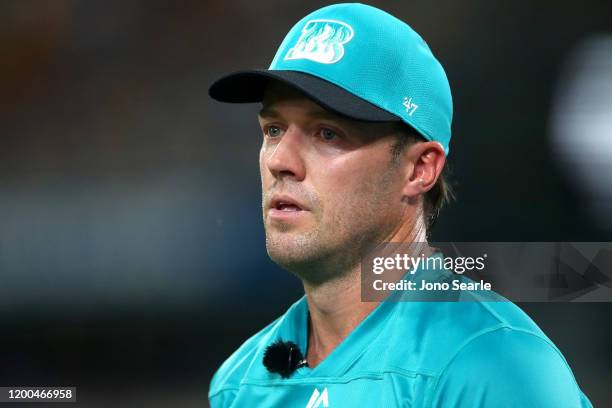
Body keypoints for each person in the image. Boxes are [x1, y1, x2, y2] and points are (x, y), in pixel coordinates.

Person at [207, 3, 593, 407]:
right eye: (273, 129)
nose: (278, 160)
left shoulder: (492, 367)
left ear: (419, 169)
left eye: (327, 133)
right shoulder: (240, 384)